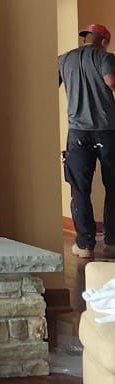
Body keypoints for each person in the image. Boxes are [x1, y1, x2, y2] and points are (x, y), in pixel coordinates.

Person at [59, 22, 115, 259]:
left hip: (77, 133)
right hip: (107, 131)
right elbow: (111, 82)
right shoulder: (105, 57)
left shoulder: (64, 59)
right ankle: (112, 241)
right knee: (113, 186)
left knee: (79, 188)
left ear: (86, 38)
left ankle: (84, 244)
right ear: (104, 40)